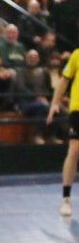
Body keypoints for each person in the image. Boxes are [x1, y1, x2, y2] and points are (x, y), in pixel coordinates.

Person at [48, 46, 79, 217]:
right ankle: (66, 199)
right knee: (74, 150)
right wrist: (55, 103)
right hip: (78, 109)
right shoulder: (77, 55)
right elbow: (64, 80)